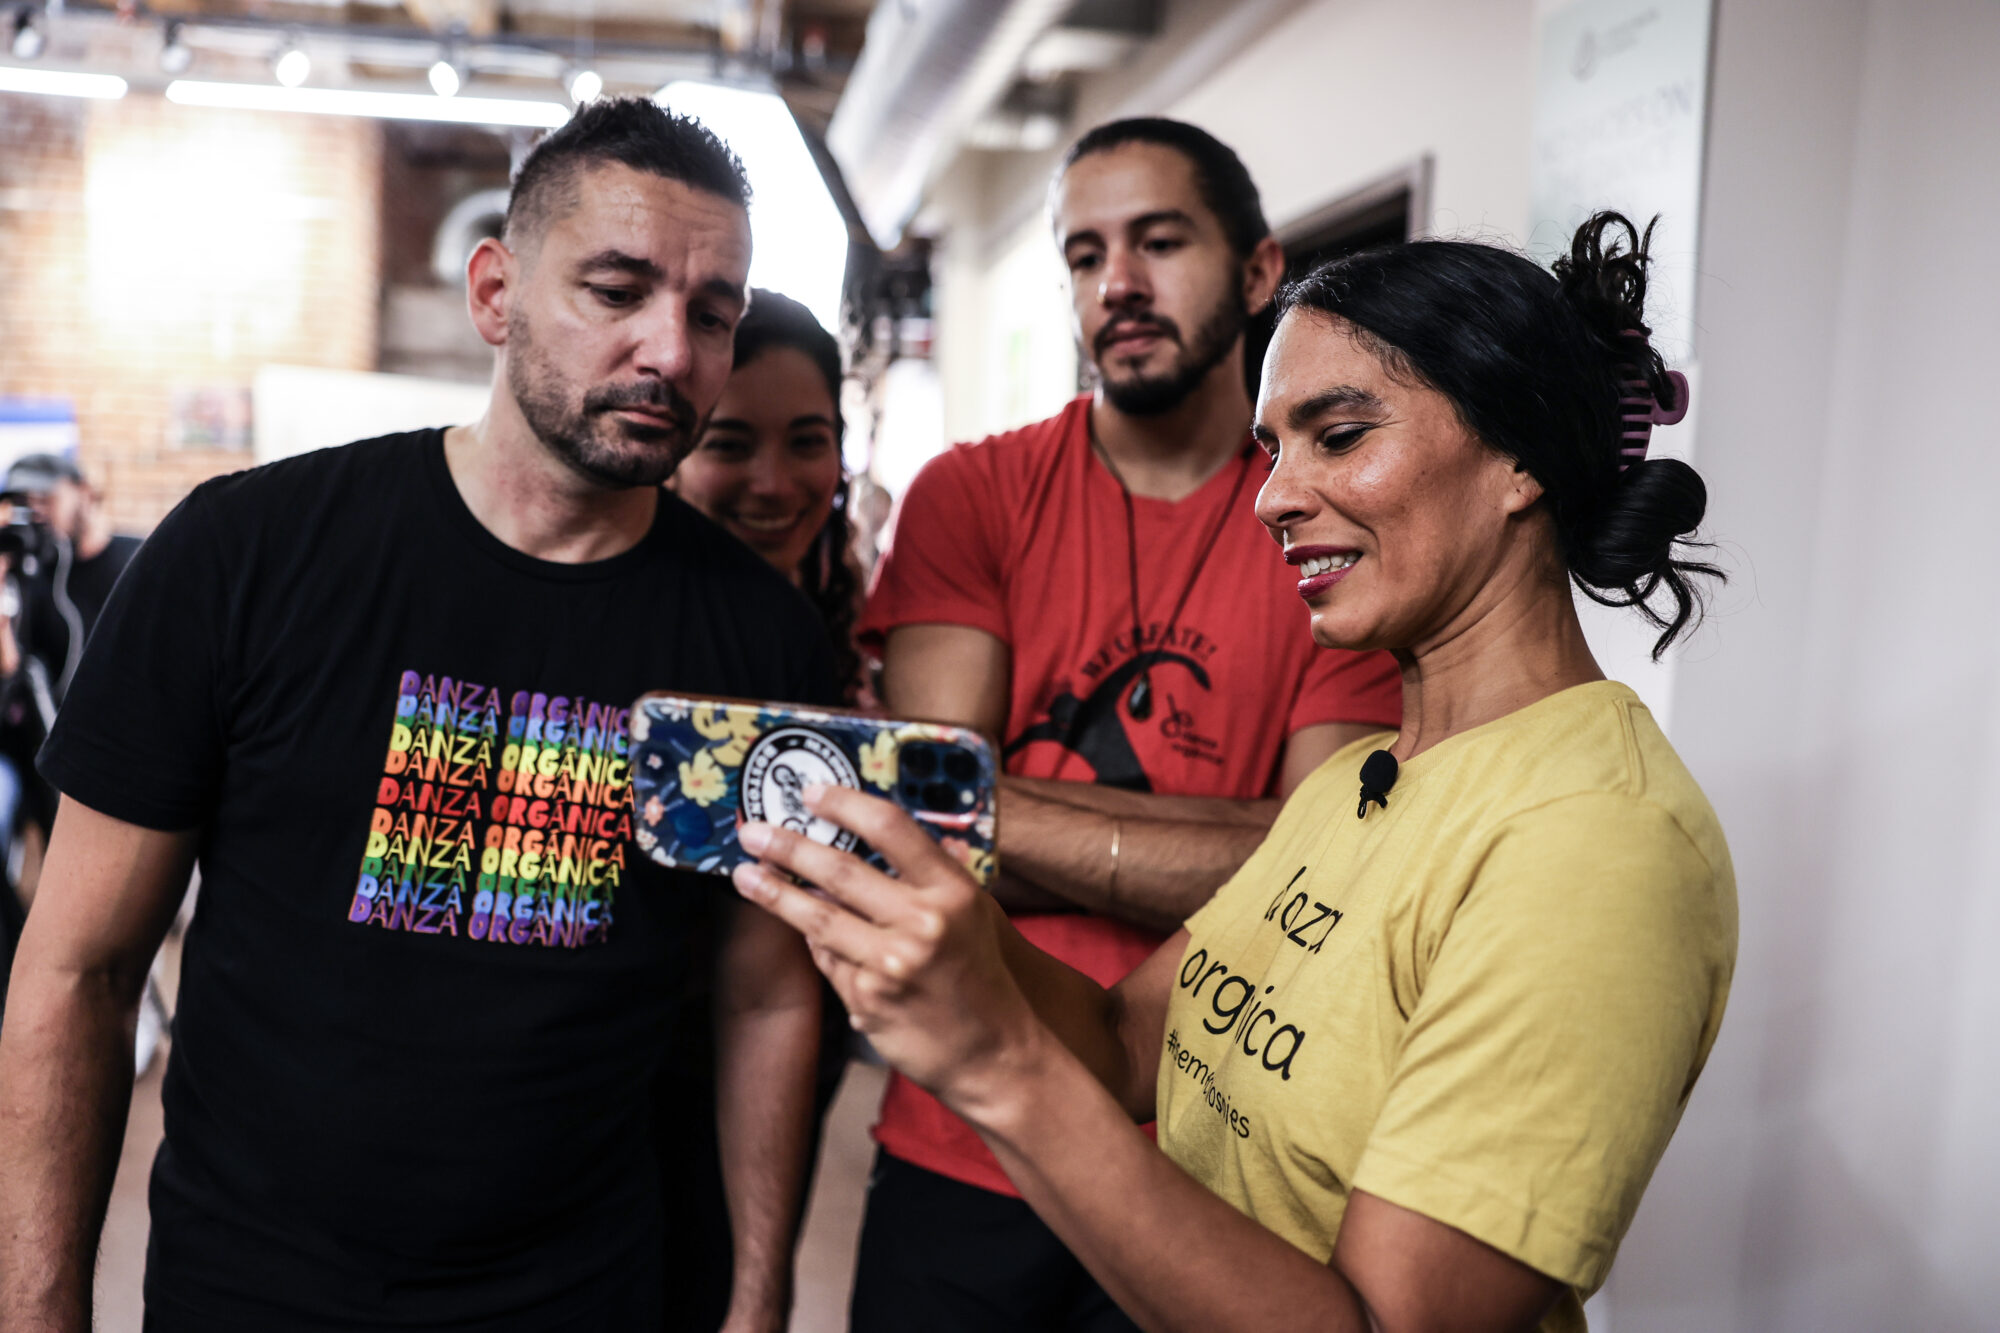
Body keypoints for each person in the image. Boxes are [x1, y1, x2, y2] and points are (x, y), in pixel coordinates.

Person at [730, 212, 1737, 1333]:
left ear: (1518, 458)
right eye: (1273, 449)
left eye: (1338, 436)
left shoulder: (1594, 844)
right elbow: (1126, 1043)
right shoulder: (1359, 781)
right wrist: (945, 936)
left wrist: (996, 1065)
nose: (1272, 496)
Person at [0, 97, 832, 1333]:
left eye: (712, 314)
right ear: (494, 293)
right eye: (616, 291)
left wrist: (756, 1302)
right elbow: (80, 969)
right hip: (252, 1295)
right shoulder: (248, 554)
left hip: (581, 1298)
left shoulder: (758, 642)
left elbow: (763, 998)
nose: (671, 349)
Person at [851, 118, 1402, 1330]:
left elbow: (1330, 870)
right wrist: (1239, 834)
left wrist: (999, 803)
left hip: (1214, 1156)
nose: (1119, 285)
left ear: (1256, 272)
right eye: (1085, 254)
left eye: (1159, 242)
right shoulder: (973, 494)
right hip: (961, 1125)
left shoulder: (1330, 532)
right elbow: (927, 826)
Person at [656, 288, 862, 1326]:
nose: (774, 483)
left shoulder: (861, 636)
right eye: (730, 443)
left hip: (794, 1037)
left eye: (807, 441)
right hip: (641, 1062)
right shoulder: (636, 632)